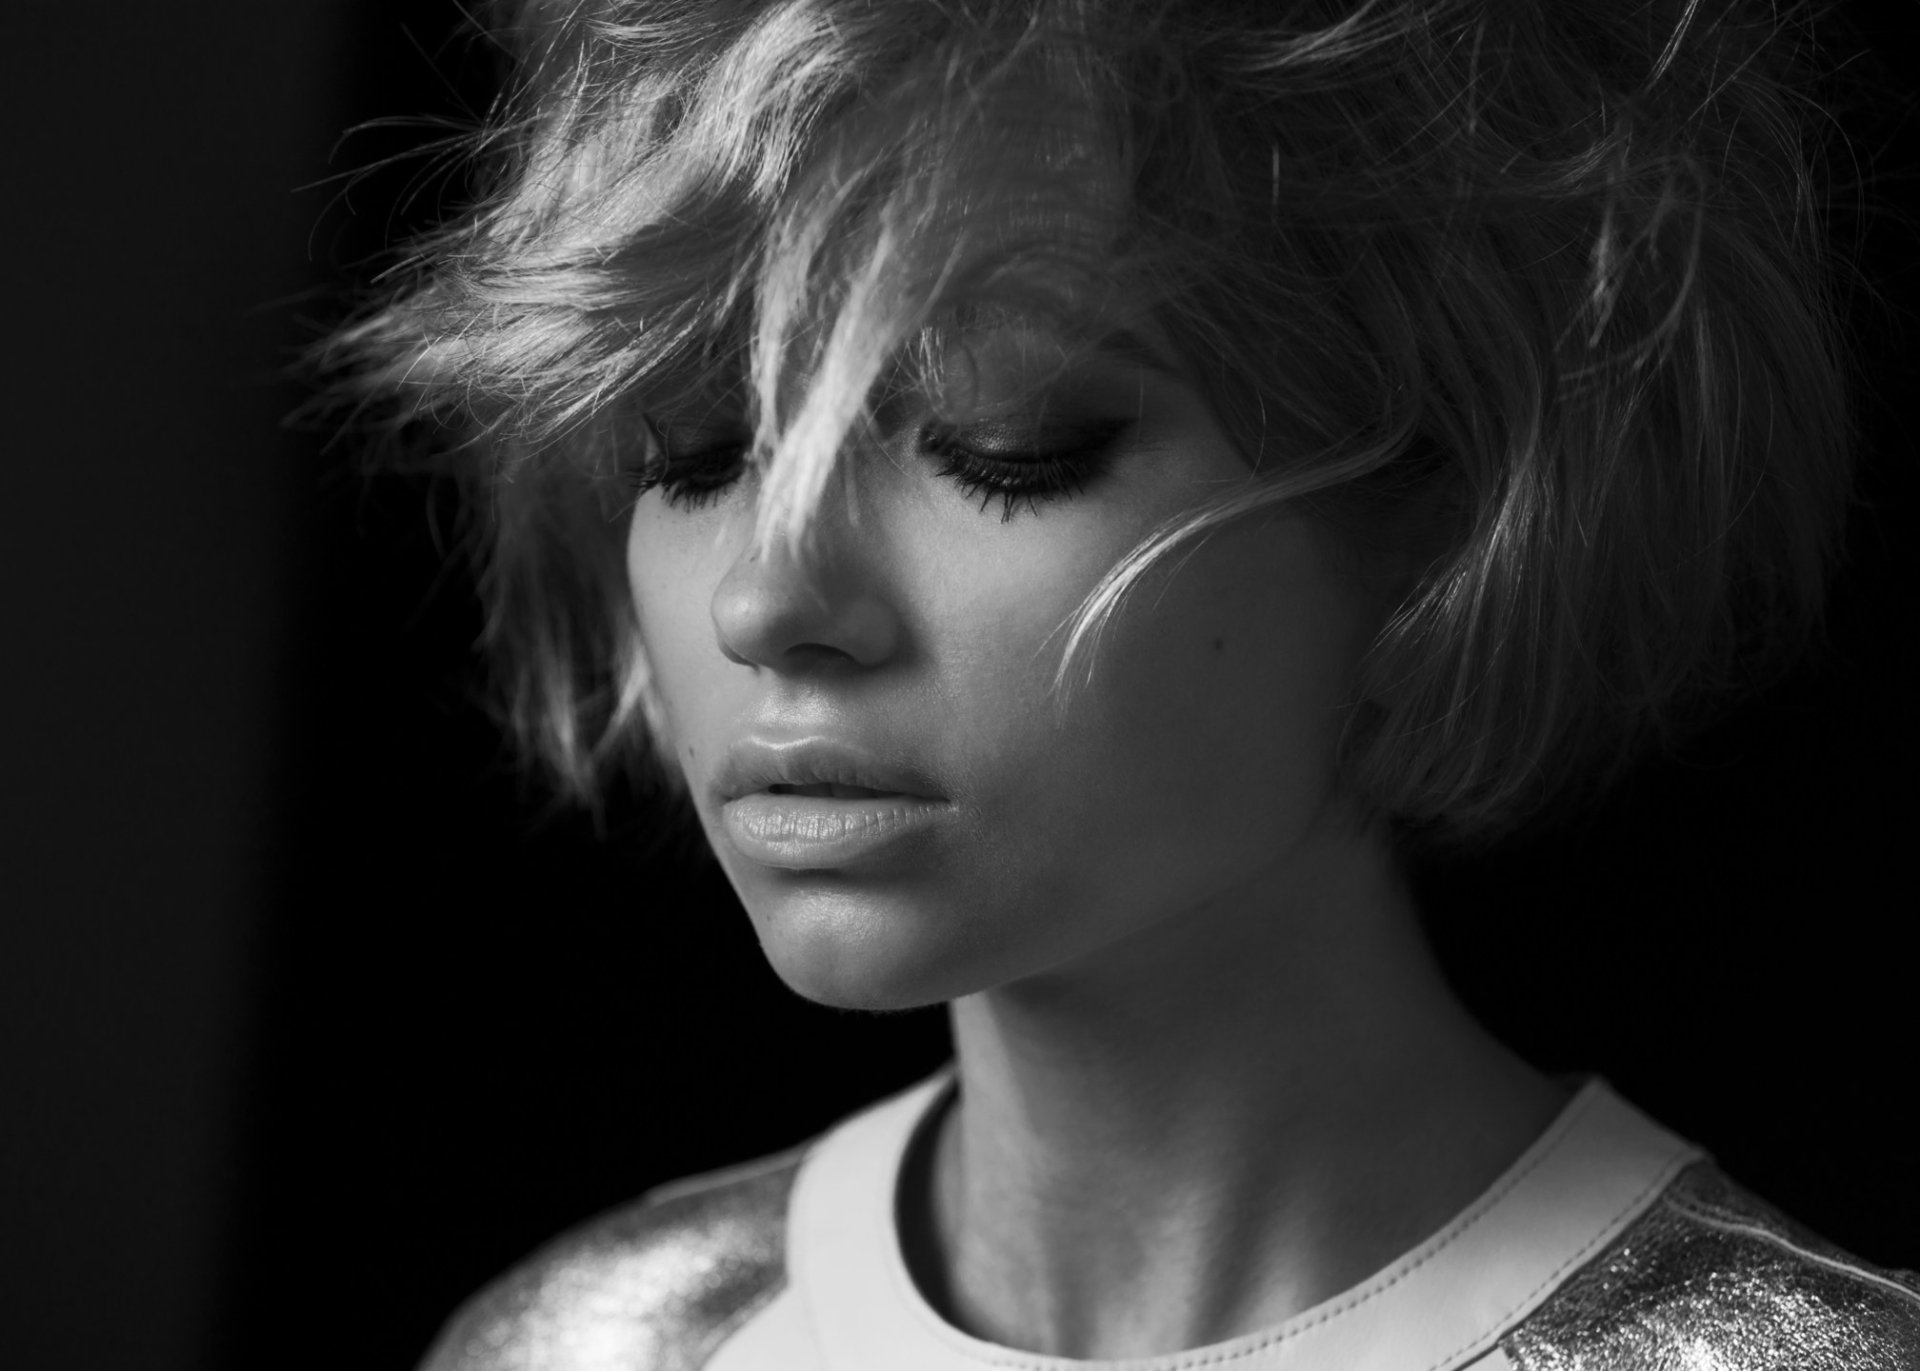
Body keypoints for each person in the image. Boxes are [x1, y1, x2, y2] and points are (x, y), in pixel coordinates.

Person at [324, 0, 1920, 1366]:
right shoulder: (590, 1345)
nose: (766, 600)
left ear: (1452, 497)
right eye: (689, 451)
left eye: (1010, 444)